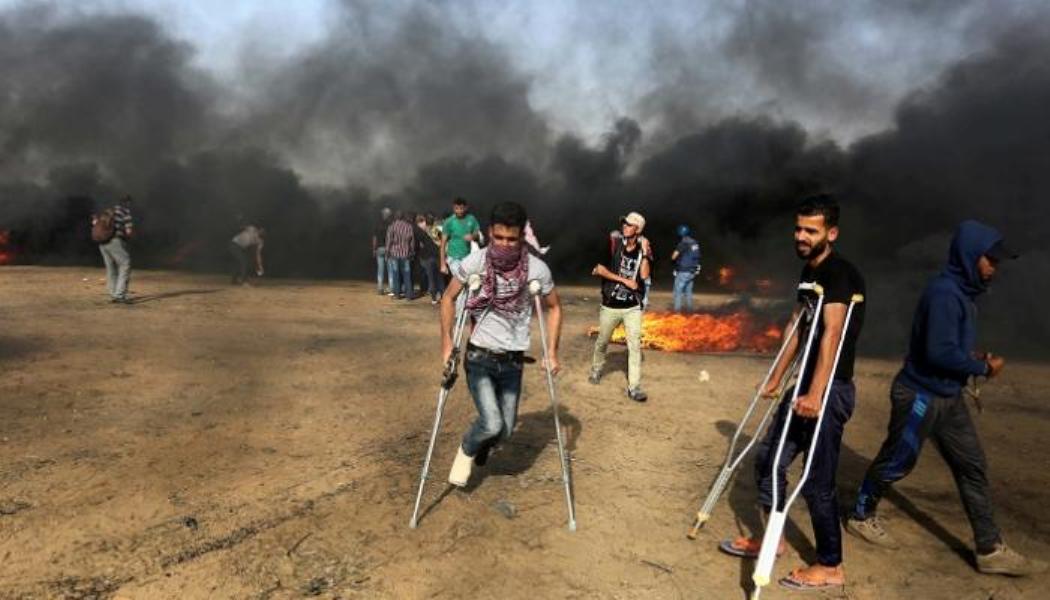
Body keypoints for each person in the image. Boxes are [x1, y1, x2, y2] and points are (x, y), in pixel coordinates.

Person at [845, 221, 1045, 576]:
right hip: (920, 397)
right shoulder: (944, 295)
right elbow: (937, 354)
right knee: (897, 462)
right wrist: (983, 368)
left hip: (949, 398)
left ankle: (989, 549)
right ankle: (861, 515)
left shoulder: (962, 293)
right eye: (990, 260)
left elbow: (946, 346)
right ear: (970, 256)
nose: (995, 267)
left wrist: (972, 357)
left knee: (972, 466)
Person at [719, 194, 865, 591]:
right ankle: (774, 540)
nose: (801, 236)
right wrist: (775, 377)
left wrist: (816, 393)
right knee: (768, 461)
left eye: (810, 231)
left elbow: (832, 333)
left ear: (831, 234)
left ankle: (831, 565)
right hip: (804, 385)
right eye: (798, 228)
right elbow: (798, 327)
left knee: (817, 481)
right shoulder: (808, 271)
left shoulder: (839, 274)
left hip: (829, 390)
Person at [442, 201, 562, 486]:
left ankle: (484, 443)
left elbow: (555, 307)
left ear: (522, 236)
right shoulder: (476, 262)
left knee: (505, 430)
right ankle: (466, 450)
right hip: (479, 357)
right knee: (492, 422)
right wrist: (447, 344)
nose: (505, 244)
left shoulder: (537, 269)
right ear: (489, 233)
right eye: (499, 237)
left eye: (512, 239)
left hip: (512, 362)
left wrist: (552, 352)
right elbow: (448, 297)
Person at [590, 211, 651, 402]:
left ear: (638, 229)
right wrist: (624, 280)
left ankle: (634, 387)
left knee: (634, 346)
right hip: (611, 305)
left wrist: (645, 253)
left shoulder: (644, 248)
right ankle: (597, 368)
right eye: (624, 223)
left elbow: (644, 276)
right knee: (602, 341)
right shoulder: (614, 242)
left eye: (629, 224)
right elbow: (599, 269)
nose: (624, 226)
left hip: (632, 306)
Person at [92, 195, 134, 304]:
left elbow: (95, 223)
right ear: (127, 203)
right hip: (115, 241)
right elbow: (128, 231)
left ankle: (113, 294)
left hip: (102, 242)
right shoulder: (125, 211)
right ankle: (120, 295)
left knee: (111, 268)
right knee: (125, 264)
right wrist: (127, 238)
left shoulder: (108, 211)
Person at [439, 197, 482, 277]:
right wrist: (442, 264)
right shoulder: (449, 222)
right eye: (456, 208)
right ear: (453, 208)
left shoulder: (471, 219)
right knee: (461, 277)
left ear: (466, 208)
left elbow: (477, 233)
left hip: (467, 257)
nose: (459, 211)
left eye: (461, 208)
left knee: (470, 279)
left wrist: (472, 236)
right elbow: (443, 244)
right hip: (453, 258)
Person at [385, 211, 416, 300]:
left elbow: (389, 240)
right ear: (403, 217)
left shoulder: (392, 226)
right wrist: (412, 251)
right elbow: (412, 241)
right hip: (406, 254)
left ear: (395, 217)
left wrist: (387, 252)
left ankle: (397, 294)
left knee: (396, 274)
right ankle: (409, 295)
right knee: (407, 274)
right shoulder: (409, 226)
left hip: (394, 254)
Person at [671, 224, 701, 312]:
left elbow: (673, 257)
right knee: (688, 293)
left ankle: (677, 312)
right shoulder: (694, 243)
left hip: (683, 271)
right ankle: (689, 311)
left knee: (677, 292)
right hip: (692, 271)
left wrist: (675, 261)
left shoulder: (683, 243)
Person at [415, 213, 444, 305]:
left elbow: (420, 245)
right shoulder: (437, 230)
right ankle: (442, 296)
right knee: (439, 277)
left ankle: (434, 298)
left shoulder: (422, 232)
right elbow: (443, 241)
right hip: (438, 256)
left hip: (427, 257)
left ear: (426, 222)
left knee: (431, 278)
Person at [372, 207, 393, 295]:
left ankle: (380, 288)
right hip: (389, 249)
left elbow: (375, 238)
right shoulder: (391, 225)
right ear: (389, 215)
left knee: (380, 270)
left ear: (382, 215)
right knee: (390, 269)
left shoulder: (377, 224)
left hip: (379, 248)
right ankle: (391, 288)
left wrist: (374, 249)